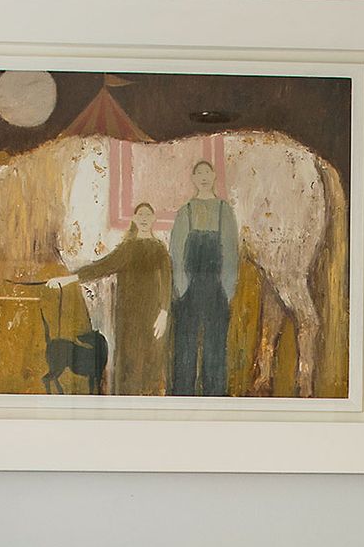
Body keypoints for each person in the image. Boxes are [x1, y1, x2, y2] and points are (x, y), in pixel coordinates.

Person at [57, 200, 173, 395]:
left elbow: (167, 282)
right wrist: (68, 279)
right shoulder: (126, 248)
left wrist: (164, 312)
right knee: (128, 366)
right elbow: (101, 267)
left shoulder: (160, 249)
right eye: (140, 215)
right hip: (128, 318)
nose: (144, 218)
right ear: (134, 219)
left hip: (153, 317)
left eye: (148, 215)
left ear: (153, 219)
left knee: (152, 364)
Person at [169, 158, 240, 396]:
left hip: (216, 289)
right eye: (198, 173)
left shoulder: (224, 210)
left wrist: (227, 290)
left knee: (215, 350)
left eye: (207, 172)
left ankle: (215, 398)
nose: (203, 177)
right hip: (188, 289)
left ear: (214, 176)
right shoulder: (185, 211)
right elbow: (176, 252)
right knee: (185, 348)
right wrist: (181, 288)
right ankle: (182, 398)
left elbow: (230, 251)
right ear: (193, 178)